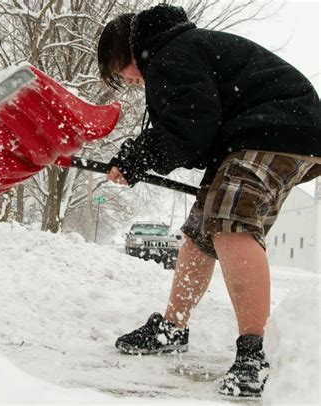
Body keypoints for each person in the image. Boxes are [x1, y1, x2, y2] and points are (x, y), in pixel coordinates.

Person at [97, 3, 321, 397]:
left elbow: (191, 126)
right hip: (265, 133)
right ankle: (173, 326)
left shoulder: (171, 55)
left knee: (230, 220)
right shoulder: (181, 50)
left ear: (127, 54)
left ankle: (254, 352)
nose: (129, 81)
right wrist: (141, 159)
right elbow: (202, 129)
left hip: (277, 130)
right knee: (202, 230)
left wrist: (135, 159)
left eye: (122, 73)